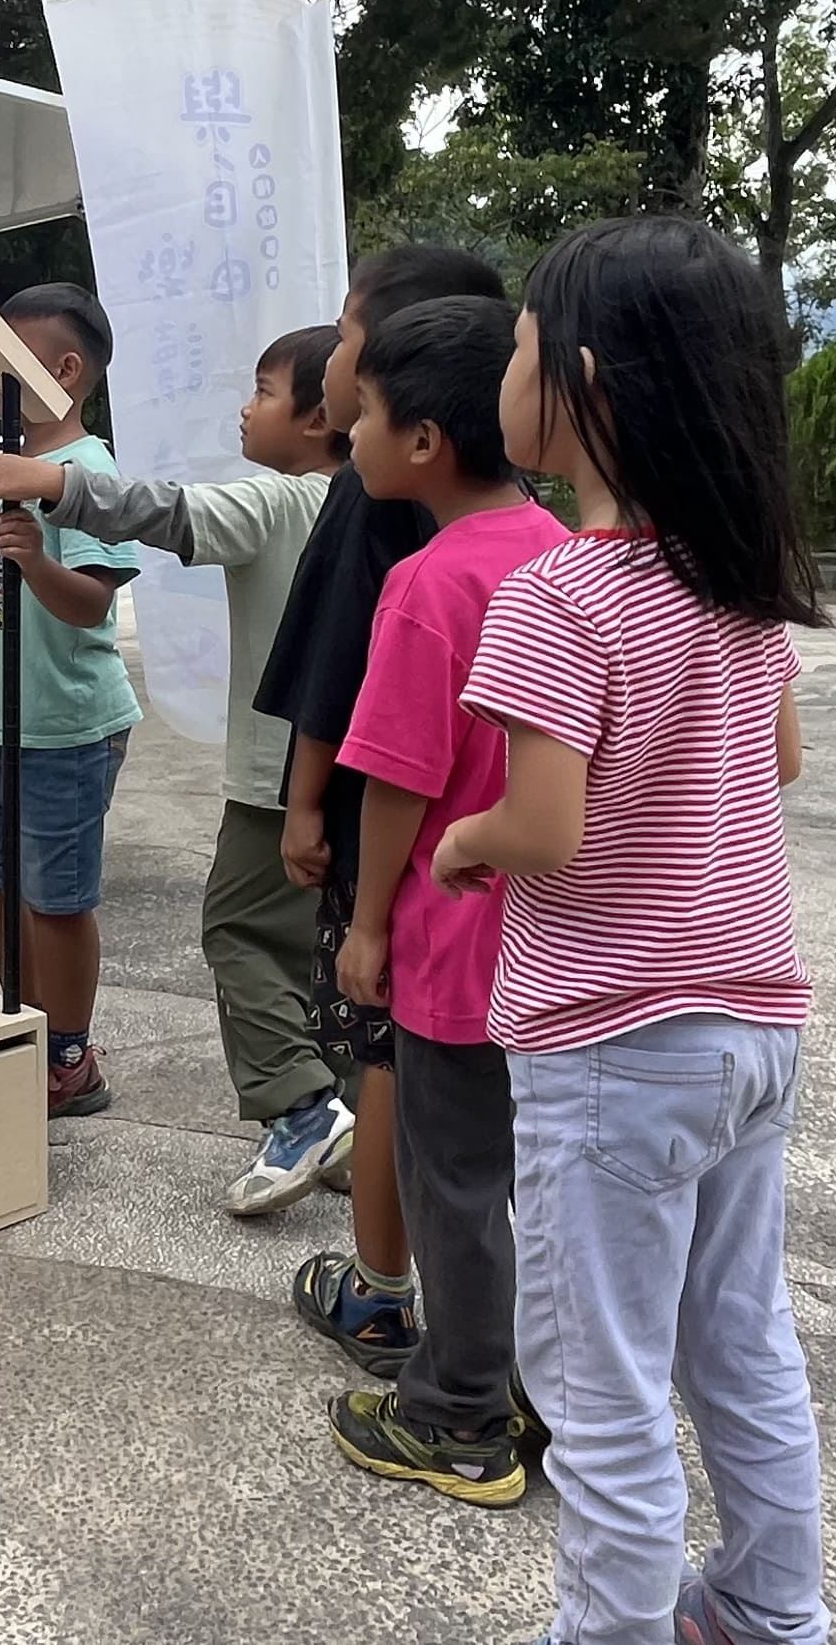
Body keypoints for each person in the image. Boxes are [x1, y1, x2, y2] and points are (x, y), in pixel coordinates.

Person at [434, 215, 832, 1645]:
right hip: (755, 1027)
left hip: (610, 1047)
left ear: (585, 384)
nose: (508, 368)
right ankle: (774, 1611)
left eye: (524, 344)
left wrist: (468, 843)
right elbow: (777, 760)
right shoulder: (740, 577)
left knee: (597, 1386)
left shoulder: (556, 593)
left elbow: (547, 832)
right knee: (740, 1342)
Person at [0, 324, 355, 1211]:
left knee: (238, 930)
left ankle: (299, 1108)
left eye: (263, 392)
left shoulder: (284, 502)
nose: (245, 407)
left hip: (277, 779)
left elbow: (171, 512)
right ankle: (349, 1118)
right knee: (324, 949)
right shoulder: (381, 508)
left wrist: (54, 484)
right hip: (362, 777)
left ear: (317, 417)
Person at [326, 294, 561, 1509]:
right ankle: (550, 1395)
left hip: (458, 956)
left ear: (422, 441)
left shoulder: (428, 585)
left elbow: (399, 786)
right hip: (572, 959)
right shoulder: (578, 561)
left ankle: (461, 1414)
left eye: (361, 412)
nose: (347, 435)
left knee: (455, 1190)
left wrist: (368, 928)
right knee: (545, 1191)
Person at [265, 243, 508, 1373]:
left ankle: (388, 1307)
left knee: (392, 1072)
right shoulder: (555, 548)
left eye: (350, 335)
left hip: (412, 885)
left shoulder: (402, 537)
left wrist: (309, 814)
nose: (334, 369)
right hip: (519, 903)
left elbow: (368, 712)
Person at [0, 285, 142, 1116]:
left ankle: (69, 1052)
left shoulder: (87, 473)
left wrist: (36, 561)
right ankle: (25, 1020)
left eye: (9, 366)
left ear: (65, 370)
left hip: (62, 723)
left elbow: (93, 602)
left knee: (57, 897)